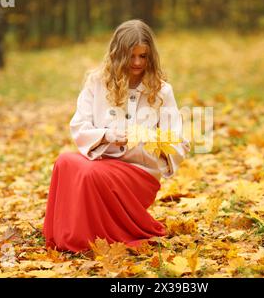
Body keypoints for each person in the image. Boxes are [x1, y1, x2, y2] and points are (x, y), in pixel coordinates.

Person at [42, 19, 190, 253]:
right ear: (118, 54)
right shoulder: (97, 82)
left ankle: (86, 240)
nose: (138, 62)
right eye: (131, 56)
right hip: (103, 160)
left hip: (138, 174)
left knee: (90, 173)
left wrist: (149, 141)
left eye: (143, 56)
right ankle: (71, 234)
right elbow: (79, 125)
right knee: (65, 162)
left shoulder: (162, 90)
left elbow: (179, 141)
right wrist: (108, 135)